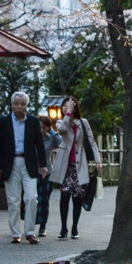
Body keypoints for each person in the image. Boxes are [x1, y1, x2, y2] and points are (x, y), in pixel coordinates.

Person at [0, 92, 49, 244]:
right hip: (10, 163)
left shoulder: (32, 122)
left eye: (23, 104)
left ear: (26, 105)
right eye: (16, 103)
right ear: (11, 105)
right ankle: (15, 233)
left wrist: (43, 165)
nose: (19, 106)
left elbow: (39, 144)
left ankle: (30, 232)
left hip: (28, 163)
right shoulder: (3, 122)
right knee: (13, 200)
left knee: (31, 197)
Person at [49, 97, 101, 240]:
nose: (67, 108)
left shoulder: (83, 123)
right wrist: (68, 114)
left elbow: (91, 141)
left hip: (79, 164)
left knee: (77, 197)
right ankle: (63, 227)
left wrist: (98, 160)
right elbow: (62, 130)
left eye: (69, 106)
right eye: (64, 106)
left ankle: (74, 227)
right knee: (64, 195)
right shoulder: (61, 122)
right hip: (65, 165)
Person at [36, 116, 62, 237]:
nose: (41, 130)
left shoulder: (50, 138)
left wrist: (51, 130)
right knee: (32, 199)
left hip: (47, 173)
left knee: (44, 199)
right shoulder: (32, 138)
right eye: (39, 127)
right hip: (32, 172)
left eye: (44, 128)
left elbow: (61, 142)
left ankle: (42, 226)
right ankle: (30, 224)